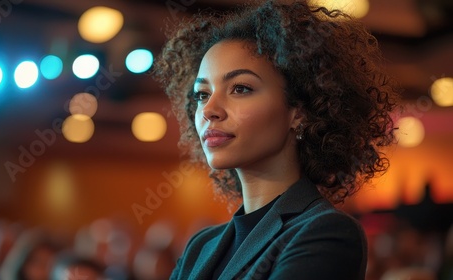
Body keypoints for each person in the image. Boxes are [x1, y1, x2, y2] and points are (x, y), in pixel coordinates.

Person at [154, 0, 398, 279]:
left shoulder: (326, 232)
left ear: (299, 112)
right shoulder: (201, 246)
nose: (209, 110)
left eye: (240, 88)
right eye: (202, 94)